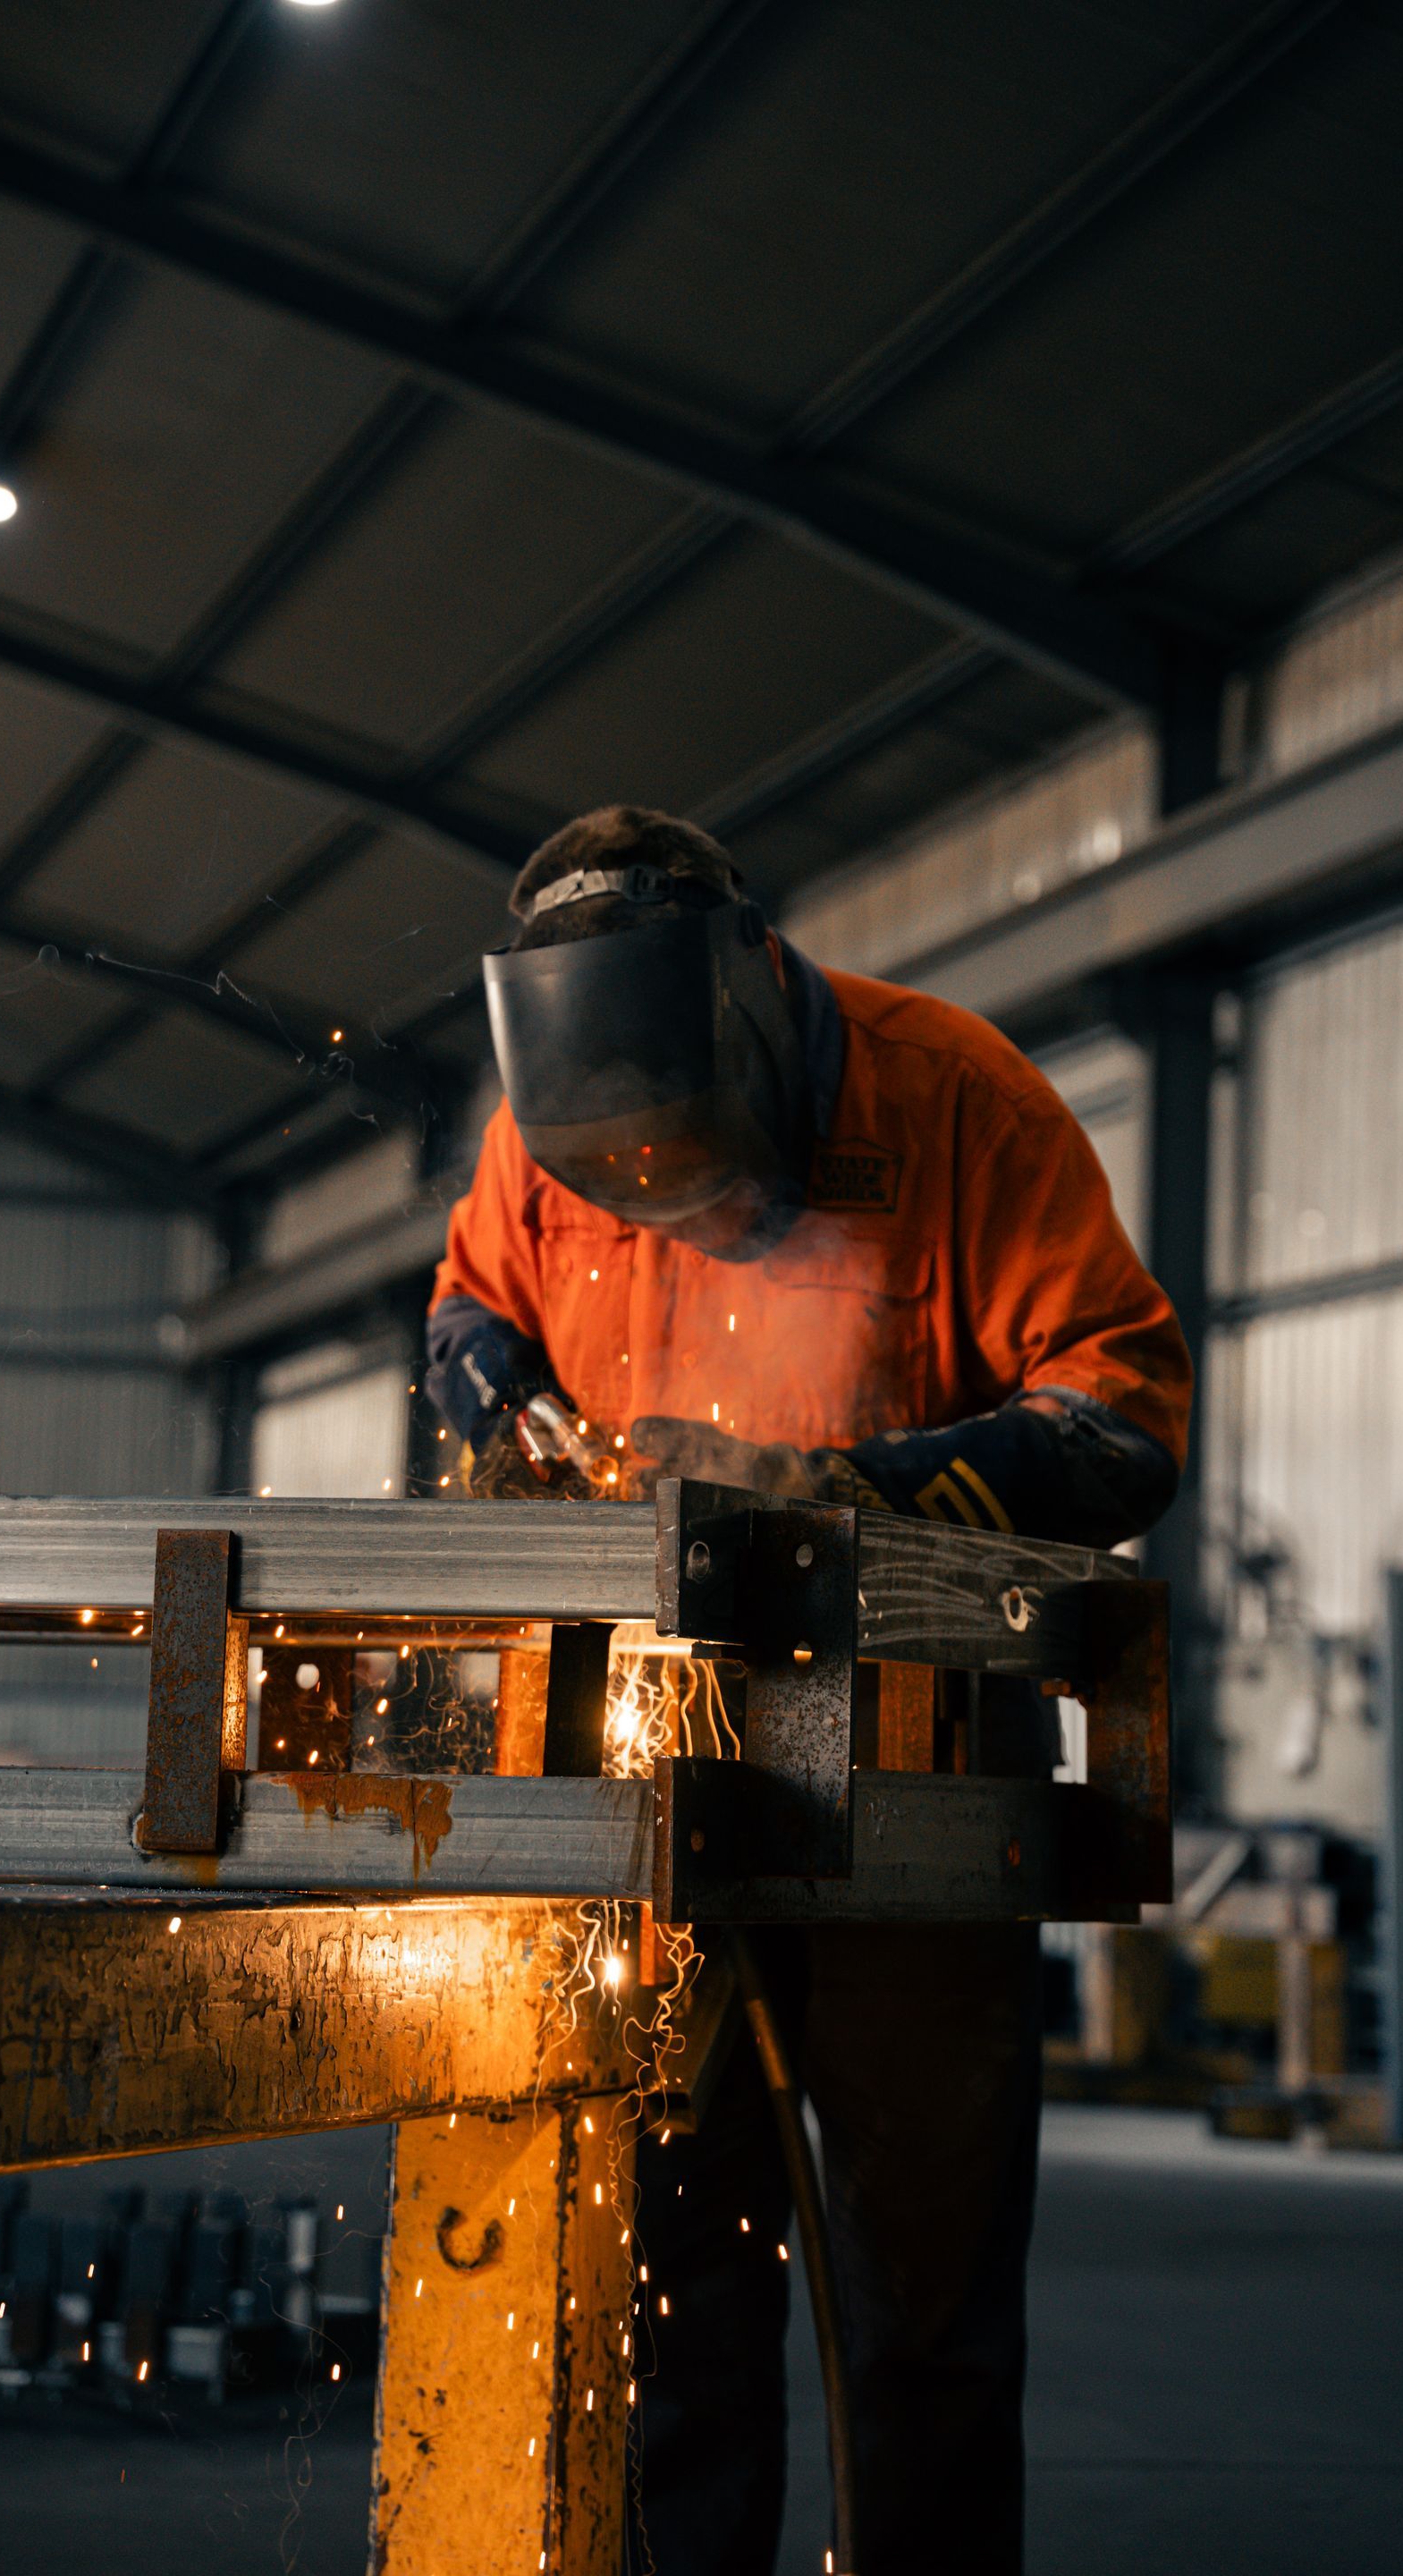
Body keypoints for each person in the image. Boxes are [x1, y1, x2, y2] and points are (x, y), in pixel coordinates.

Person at [425, 806, 1191, 2575]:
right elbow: (469, 1307)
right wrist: (499, 1404)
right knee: (666, 2295)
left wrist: (855, 1491)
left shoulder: (956, 1097)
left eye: (701, 1178)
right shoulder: (536, 1138)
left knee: (915, 2313)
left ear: (764, 996)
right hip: (645, 1806)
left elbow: (1126, 1422)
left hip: (908, 1793)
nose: (679, 1219)